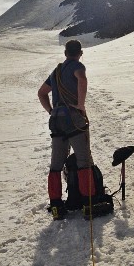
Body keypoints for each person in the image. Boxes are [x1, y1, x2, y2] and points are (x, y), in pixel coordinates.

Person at [38, 40, 96, 220]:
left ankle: (56, 206)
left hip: (57, 120)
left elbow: (41, 92)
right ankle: (88, 204)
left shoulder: (55, 72)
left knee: (56, 164)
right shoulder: (78, 66)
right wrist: (80, 105)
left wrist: (51, 111)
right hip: (73, 118)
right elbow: (82, 79)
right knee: (83, 160)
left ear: (65, 53)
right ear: (80, 52)